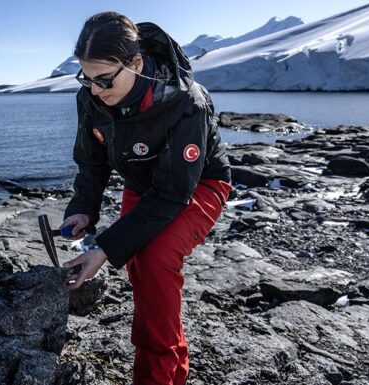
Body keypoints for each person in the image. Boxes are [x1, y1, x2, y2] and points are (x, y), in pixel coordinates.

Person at [59, 12, 233, 385]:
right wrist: (82, 210)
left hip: (198, 185)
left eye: (104, 80)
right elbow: (92, 161)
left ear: (135, 63)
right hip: (143, 185)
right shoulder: (92, 96)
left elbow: (172, 195)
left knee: (154, 262)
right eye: (86, 79)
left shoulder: (187, 102)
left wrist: (103, 249)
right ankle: (165, 368)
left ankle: (160, 375)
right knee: (141, 272)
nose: (95, 90)